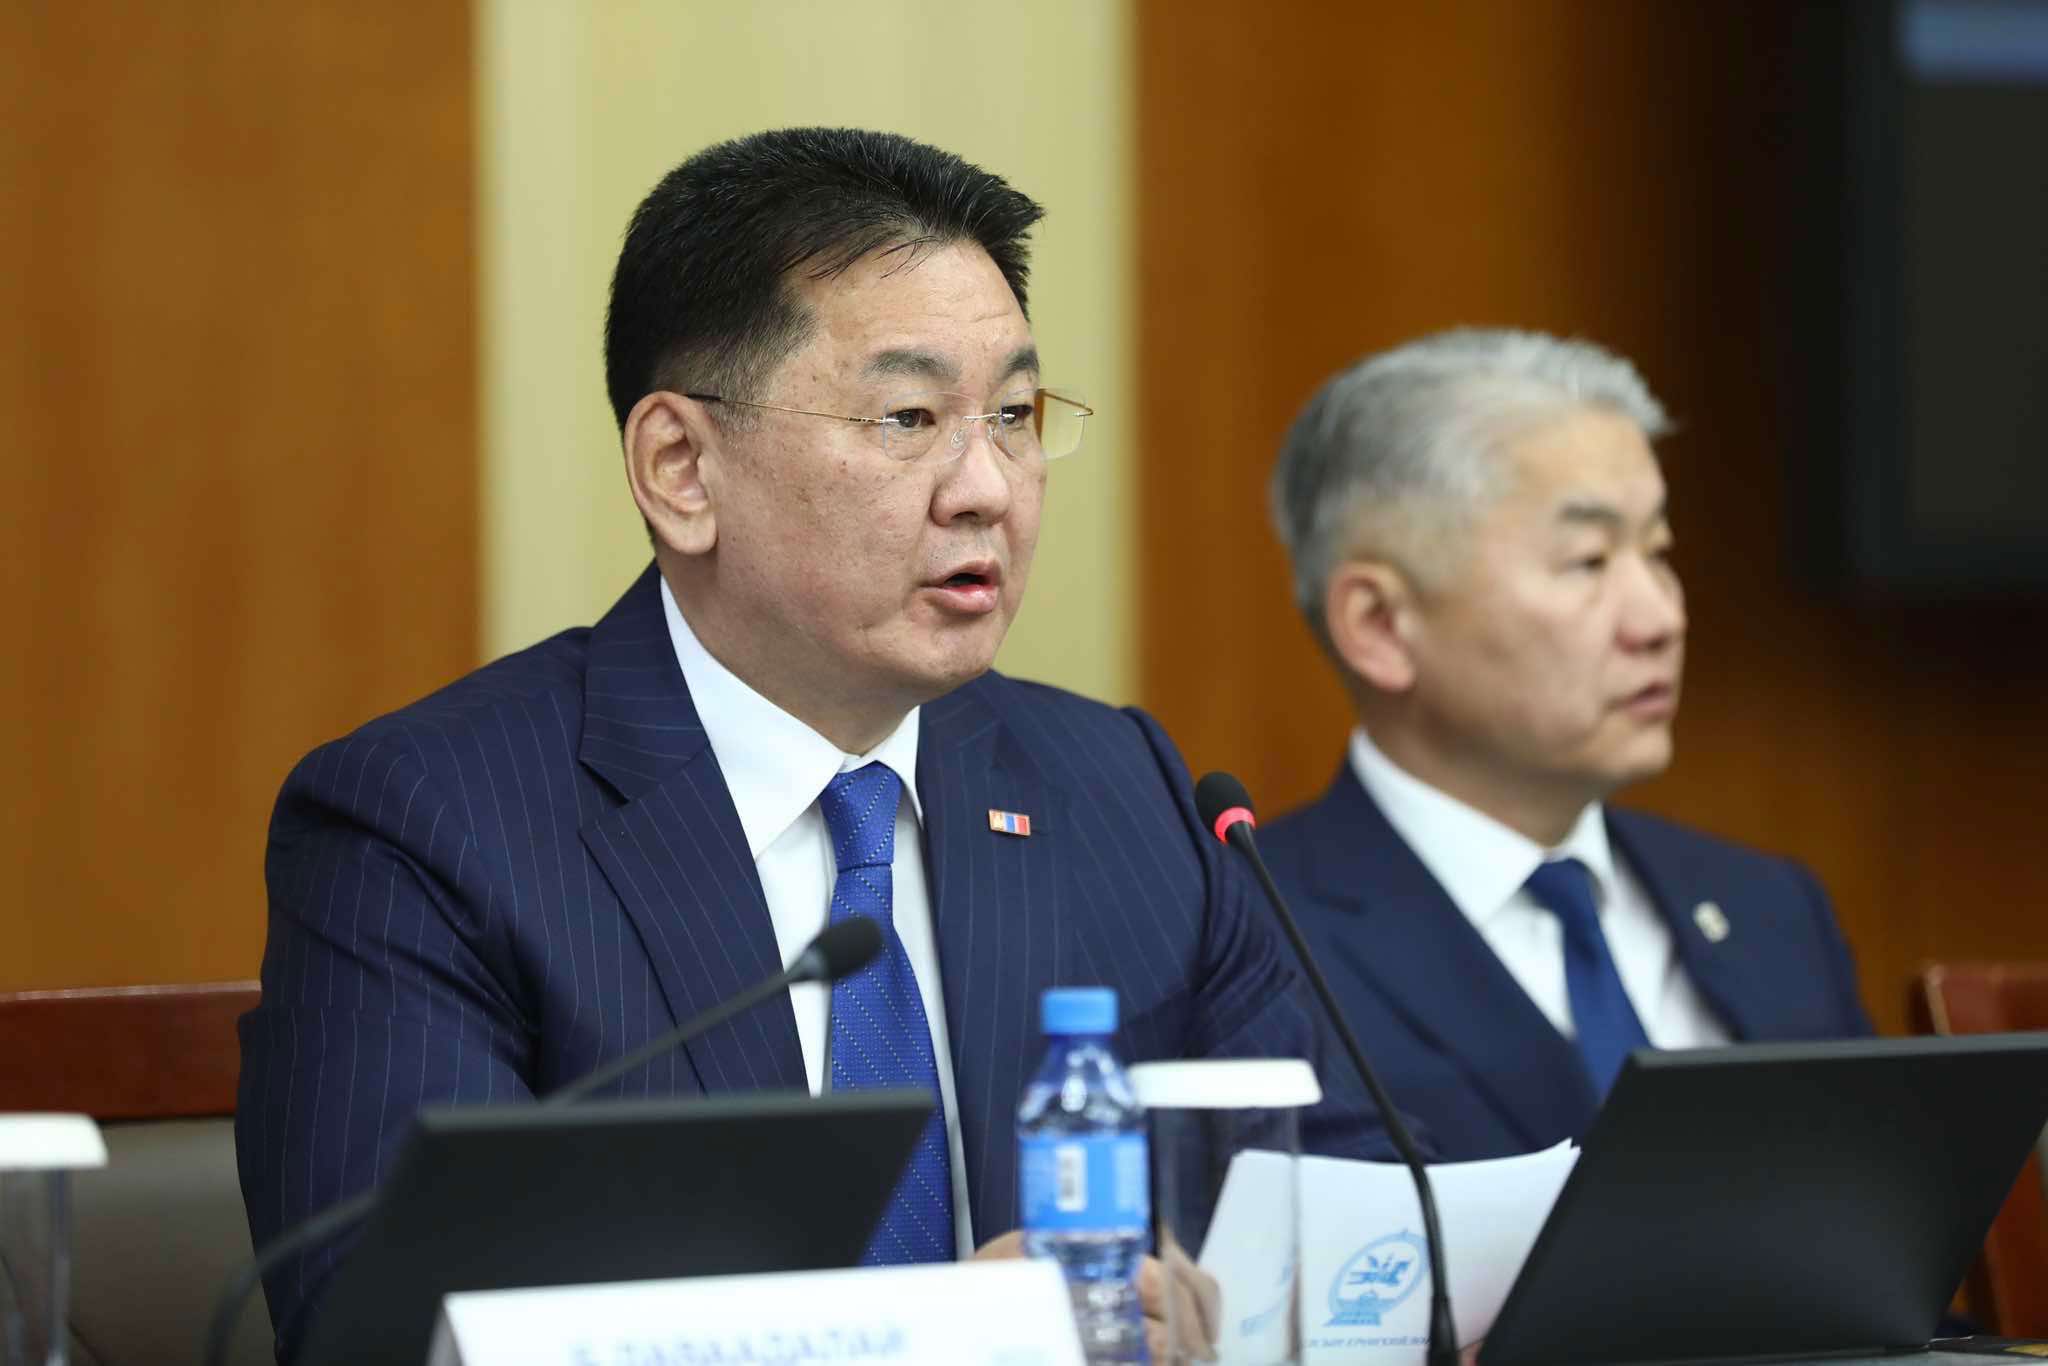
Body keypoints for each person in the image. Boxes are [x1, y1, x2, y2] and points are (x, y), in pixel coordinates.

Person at [235, 127, 1376, 1360]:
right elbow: (389, 1334)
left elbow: (1352, 1213)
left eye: (1010, 415)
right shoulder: (430, 825)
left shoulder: (1123, 789)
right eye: (908, 416)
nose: (987, 486)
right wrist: (948, 1337)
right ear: (681, 466)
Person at [1261, 328, 1872, 1162]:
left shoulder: (1771, 906)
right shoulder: (1253, 942)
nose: (1661, 619)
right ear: (1380, 625)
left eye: (1658, 553)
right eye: (1588, 561)